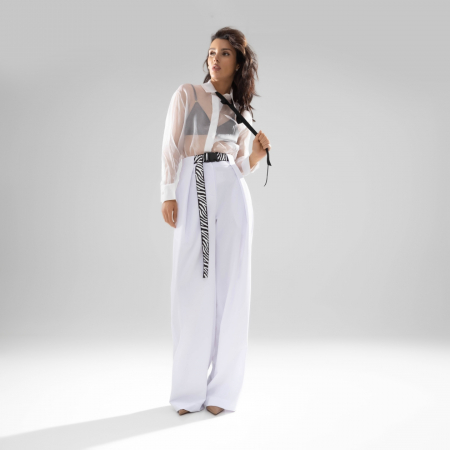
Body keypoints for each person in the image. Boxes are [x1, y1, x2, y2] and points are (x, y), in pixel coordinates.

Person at [160, 27, 271, 416]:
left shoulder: (243, 111)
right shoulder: (188, 94)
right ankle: (187, 391)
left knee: (233, 288)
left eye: (225, 53)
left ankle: (223, 392)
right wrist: (168, 192)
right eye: (211, 51)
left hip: (231, 193)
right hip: (192, 187)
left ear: (238, 62)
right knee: (190, 287)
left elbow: (238, 167)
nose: (215, 58)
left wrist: (255, 157)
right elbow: (171, 147)